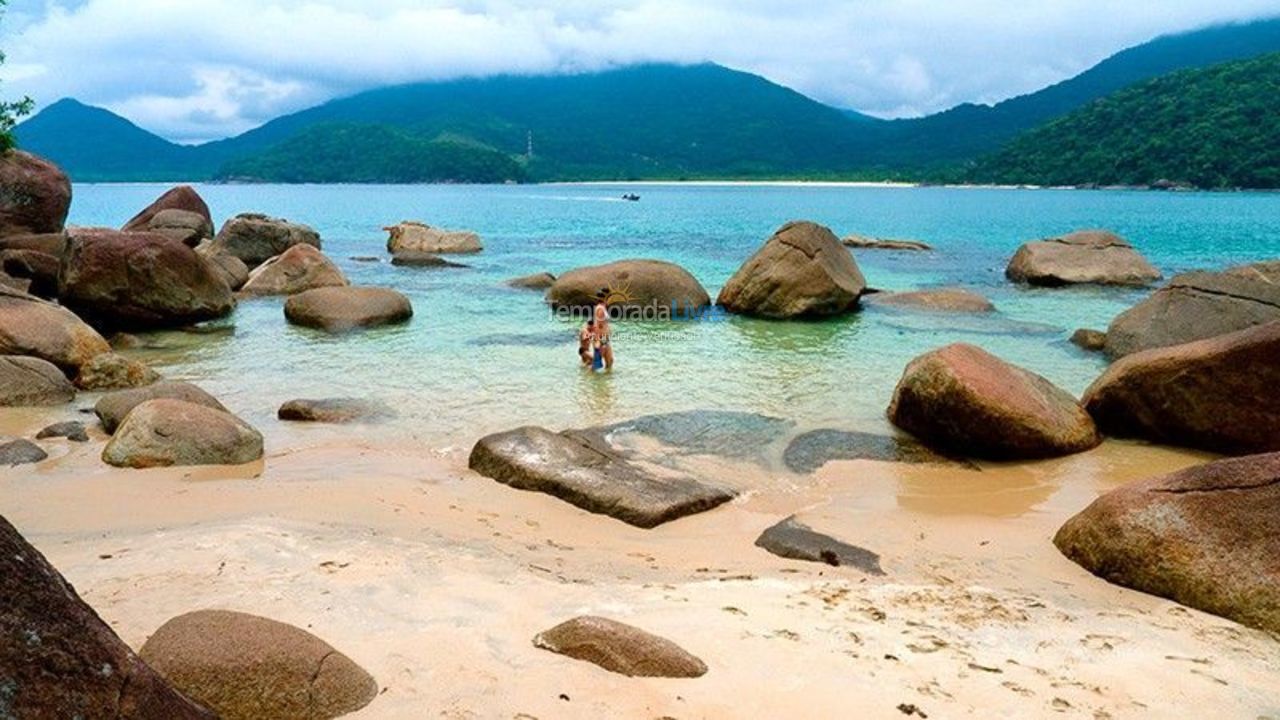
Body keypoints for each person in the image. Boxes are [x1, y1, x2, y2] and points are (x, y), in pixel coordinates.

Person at [593, 289, 614, 371]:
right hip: (602, 338)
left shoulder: (603, 308)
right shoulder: (600, 309)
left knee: (610, 361)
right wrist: (599, 340)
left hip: (605, 338)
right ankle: (590, 378)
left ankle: (606, 382)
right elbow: (598, 325)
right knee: (597, 363)